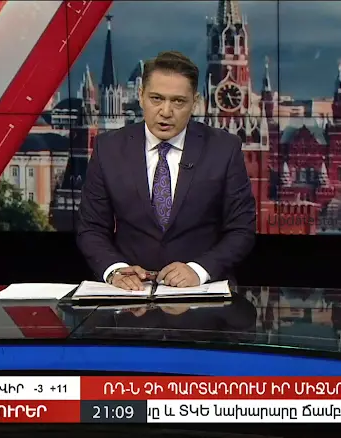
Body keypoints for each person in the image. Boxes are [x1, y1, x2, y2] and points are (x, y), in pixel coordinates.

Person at [76, 51, 256, 290]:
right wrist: (116, 270)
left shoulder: (224, 149)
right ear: (141, 96)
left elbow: (241, 229)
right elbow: (91, 228)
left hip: (200, 292)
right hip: (129, 293)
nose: (166, 111)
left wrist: (198, 270)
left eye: (178, 101)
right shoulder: (108, 148)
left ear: (195, 102)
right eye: (156, 99)